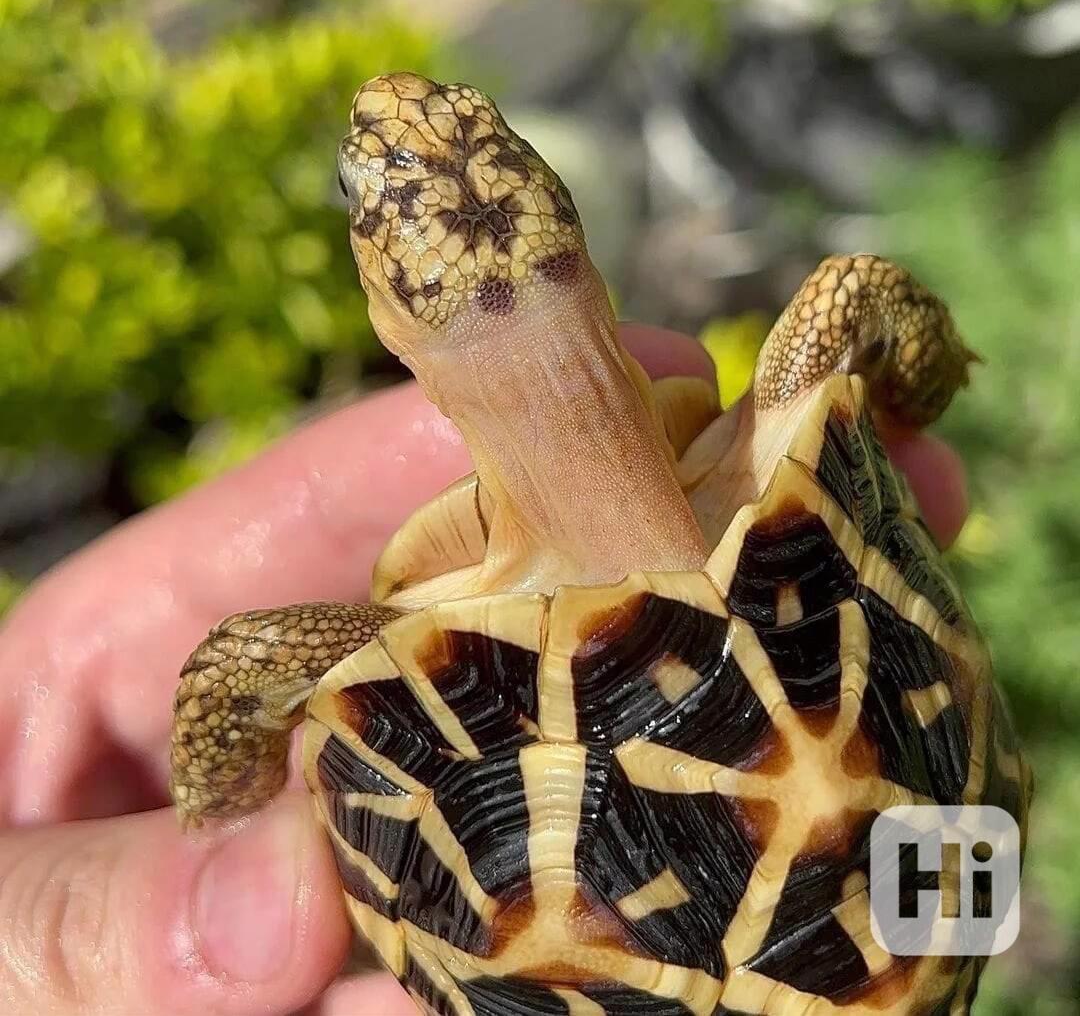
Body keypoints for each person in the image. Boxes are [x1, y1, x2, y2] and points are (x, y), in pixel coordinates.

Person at [0, 326, 967, 1016]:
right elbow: (870, 313)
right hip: (957, 895)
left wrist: (222, 812)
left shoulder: (366, 645)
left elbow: (239, 668)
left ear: (398, 321)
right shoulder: (788, 412)